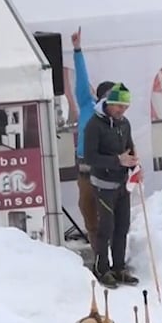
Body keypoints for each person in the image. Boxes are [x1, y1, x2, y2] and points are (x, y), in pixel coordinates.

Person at [83, 82, 140, 288]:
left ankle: (119, 267)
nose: (122, 111)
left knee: (122, 226)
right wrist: (117, 160)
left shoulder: (124, 123)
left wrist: (134, 165)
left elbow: (129, 148)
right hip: (103, 183)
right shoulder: (94, 125)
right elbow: (89, 157)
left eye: (125, 108)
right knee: (106, 227)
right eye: (119, 107)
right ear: (109, 103)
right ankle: (102, 268)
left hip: (122, 183)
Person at [70, 28, 112, 256]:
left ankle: (113, 256)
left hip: (106, 173)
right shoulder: (88, 106)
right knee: (88, 211)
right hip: (86, 170)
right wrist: (77, 50)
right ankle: (99, 256)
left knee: (108, 215)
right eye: (107, 96)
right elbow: (82, 80)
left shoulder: (115, 119)